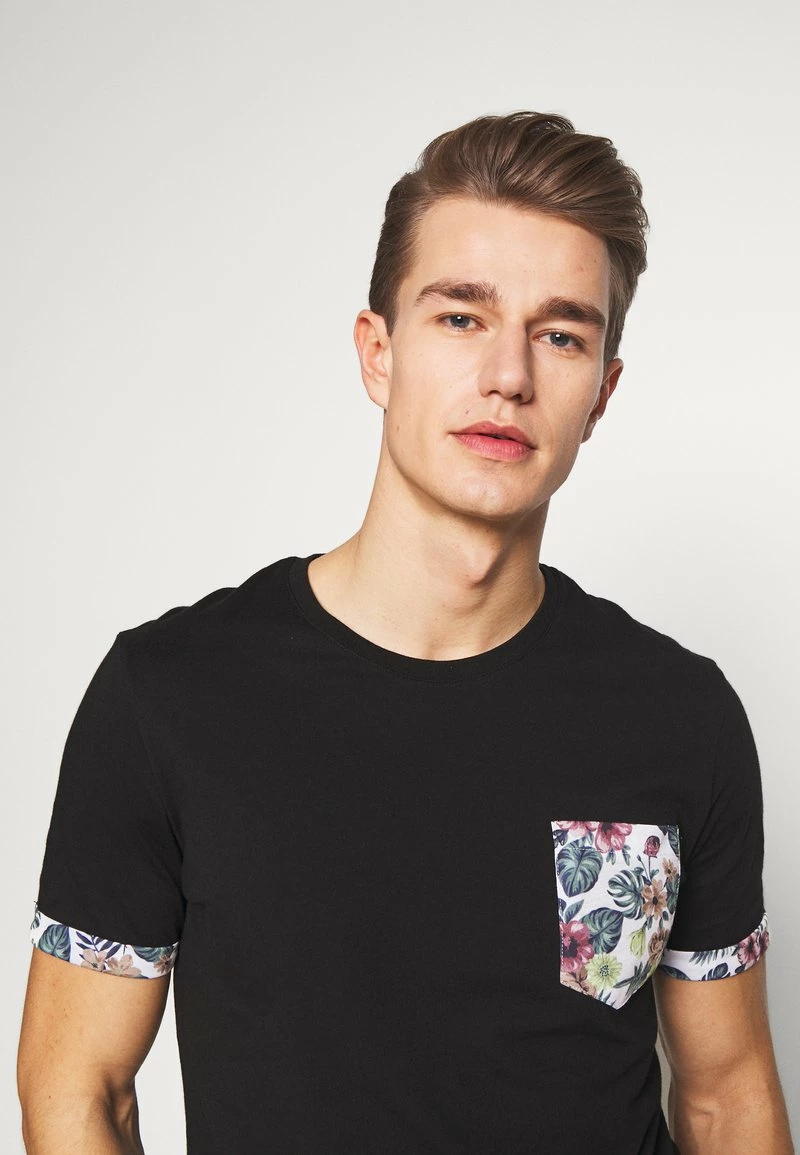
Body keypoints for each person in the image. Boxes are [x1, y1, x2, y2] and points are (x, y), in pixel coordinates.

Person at [17, 110, 794, 1155]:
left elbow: (725, 1097)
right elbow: (80, 1086)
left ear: (602, 393)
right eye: (461, 317)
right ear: (377, 353)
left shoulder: (679, 716)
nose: (509, 374)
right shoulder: (169, 698)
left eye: (561, 333)